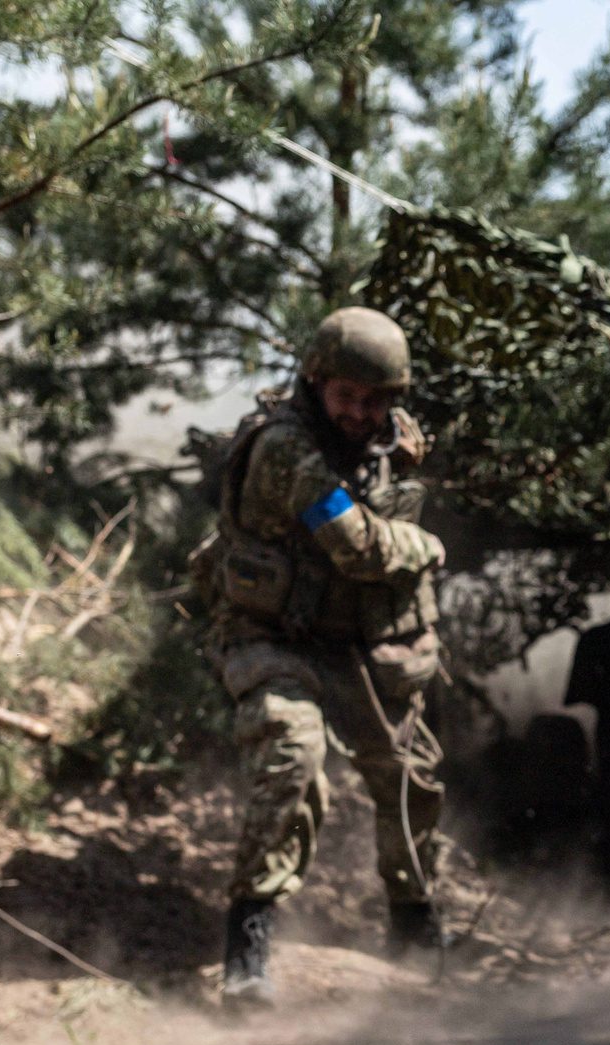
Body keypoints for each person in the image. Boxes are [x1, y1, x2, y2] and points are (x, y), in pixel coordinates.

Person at [194, 306, 455, 1006]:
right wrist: (425, 549)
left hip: (355, 646)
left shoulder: (385, 438)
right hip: (269, 637)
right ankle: (247, 946)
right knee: (294, 754)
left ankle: (415, 929)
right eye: (346, 396)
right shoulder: (285, 448)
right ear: (316, 382)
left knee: (412, 777)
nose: (359, 412)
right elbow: (357, 544)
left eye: (375, 400)